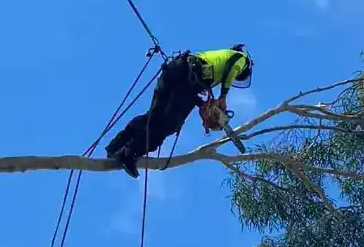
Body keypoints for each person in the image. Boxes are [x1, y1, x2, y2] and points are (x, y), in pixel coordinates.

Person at [105, 44, 254, 178]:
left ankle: (117, 146)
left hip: (176, 71)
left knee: (153, 118)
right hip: (186, 79)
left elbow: (190, 92)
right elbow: (231, 69)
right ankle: (129, 153)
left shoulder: (215, 61)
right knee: (166, 126)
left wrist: (202, 105)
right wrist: (223, 96)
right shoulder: (242, 59)